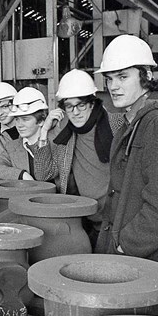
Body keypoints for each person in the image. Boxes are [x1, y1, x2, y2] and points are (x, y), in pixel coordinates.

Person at [94, 34, 158, 316]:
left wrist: (125, 244)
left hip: (148, 265)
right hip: (133, 262)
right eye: (109, 78)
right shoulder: (135, 119)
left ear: (146, 76)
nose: (113, 86)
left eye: (122, 77)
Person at [41, 69, 124, 245]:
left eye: (81, 105)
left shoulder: (117, 125)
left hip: (119, 220)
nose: (75, 112)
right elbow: (43, 173)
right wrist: (43, 132)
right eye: (69, 106)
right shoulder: (66, 134)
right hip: (86, 220)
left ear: (92, 104)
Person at [0, 87, 55, 182]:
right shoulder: (13, 147)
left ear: (41, 120)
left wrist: (44, 132)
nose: (19, 125)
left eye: (25, 119)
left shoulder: (56, 143)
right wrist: (21, 174)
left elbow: (46, 175)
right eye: (17, 119)